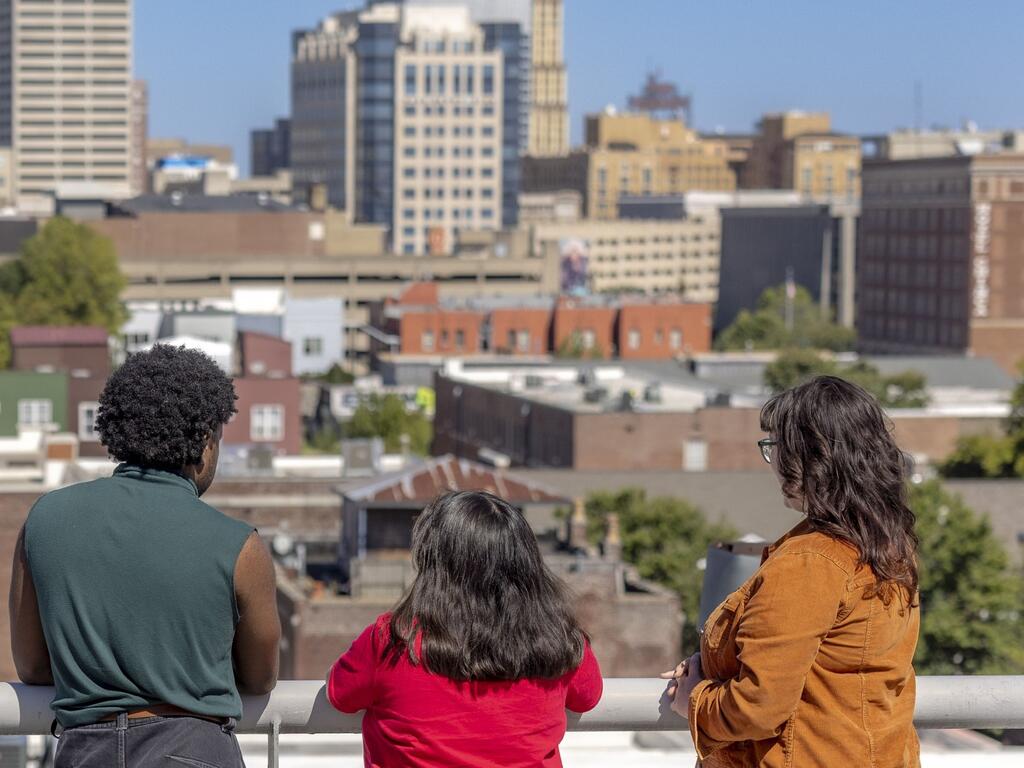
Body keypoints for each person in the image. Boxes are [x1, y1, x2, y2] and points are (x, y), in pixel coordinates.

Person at [9, 344, 281, 768]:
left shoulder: (45, 520)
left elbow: (32, 667)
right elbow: (262, 677)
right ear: (206, 441)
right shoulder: (241, 546)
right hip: (194, 748)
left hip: (85, 752)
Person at [663, 376, 920, 767]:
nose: (774, 462)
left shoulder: (812, 562)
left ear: (813, 456)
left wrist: (694, 698)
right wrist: (709, 665)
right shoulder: (885, 547)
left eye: (777, 447)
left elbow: (759, 705)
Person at [327, 490, 602, 767]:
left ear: (432, 565)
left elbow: (340, 694)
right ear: (527, 564)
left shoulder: (392, 641)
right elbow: (587, 697)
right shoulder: (558, 639)